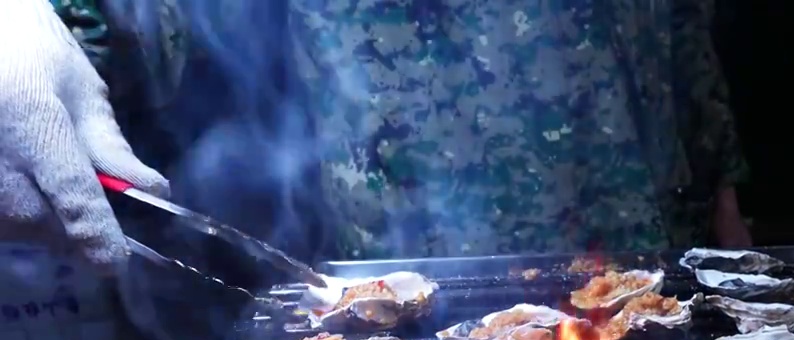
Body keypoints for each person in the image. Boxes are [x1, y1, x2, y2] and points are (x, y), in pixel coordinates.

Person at [0, 0, 752, 270]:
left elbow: (686, 25)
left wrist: (724, 185)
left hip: (654, 256)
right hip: (430, 296)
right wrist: (25, 21)